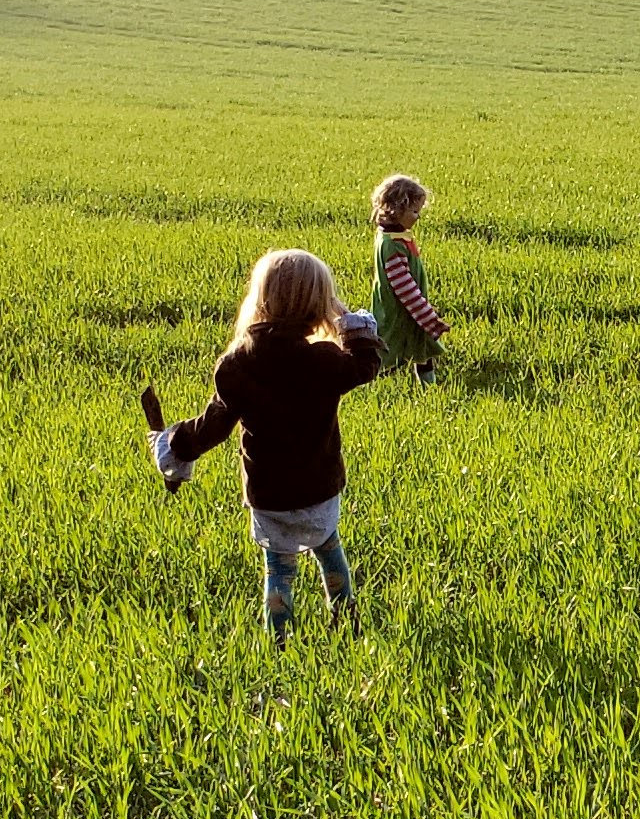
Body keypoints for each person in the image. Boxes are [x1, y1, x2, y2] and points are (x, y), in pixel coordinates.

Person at [152, 250, 383, 634]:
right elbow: (364, 365)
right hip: (320, 488)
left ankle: (279, 640)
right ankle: (347, 622)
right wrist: (353, 324)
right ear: (318, 305)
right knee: (329, 552)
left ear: (261, 298)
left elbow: (212, 427)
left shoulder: (237, 364)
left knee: (278, 570)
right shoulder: (325, 360)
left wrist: (174, 445)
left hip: (269, 495)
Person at [370, 172, 451, 383]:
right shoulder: (392, 245)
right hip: (399, 311)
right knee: (391, 350)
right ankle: (376, 380)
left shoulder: (395, 236)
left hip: (410, 310)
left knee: (422, 347)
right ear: (396, 210)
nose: (418, 217)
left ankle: (429, 387)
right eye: (414, 211)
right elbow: (404, 288)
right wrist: (428, 317)